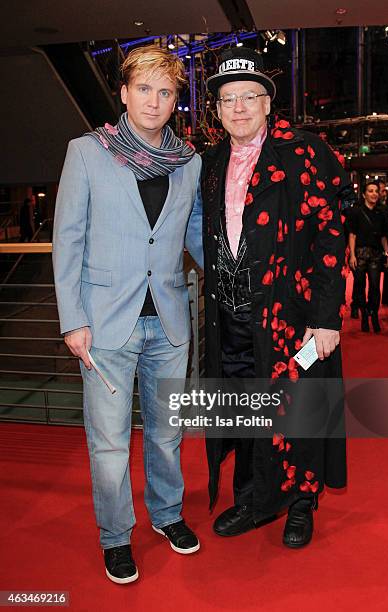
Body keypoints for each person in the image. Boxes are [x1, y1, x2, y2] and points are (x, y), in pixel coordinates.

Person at [53, 46, 203, 585]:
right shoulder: (88, 152)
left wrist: (245, 285)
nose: (155, 102)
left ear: (174, 100)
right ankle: (116, 536)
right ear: (124, 93)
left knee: (167, 434)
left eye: (165, 92)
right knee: (110, 444)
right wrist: (72, 318)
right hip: (103, 324)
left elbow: (196, 236)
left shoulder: (188, 161)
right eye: (144, 89)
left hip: (168, 320)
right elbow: (67, 240)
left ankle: (166, 515)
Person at [201, 47, 351, 548]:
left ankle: (300, 504)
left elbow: (331, 237)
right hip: (234, 317)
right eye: (228, 99)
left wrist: (327, 318)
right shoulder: (212, 161)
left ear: (268, 103)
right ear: (217, 110)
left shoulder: (306, 151)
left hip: (295, 317)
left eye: (249, 97)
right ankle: (252, 497)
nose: (239, 108)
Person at [348, 182, 388, 332]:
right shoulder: (356, 212)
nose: (374, 194)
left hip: (375, 254)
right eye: (370, 191)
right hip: (359, 254)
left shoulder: (381, 213)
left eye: (376, 191)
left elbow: (384, 237)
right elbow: (352, 235)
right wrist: (352, 255)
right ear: (364, 194)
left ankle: (373, 313)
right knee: (359, 286)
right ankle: (364, 314)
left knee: (374, 286)